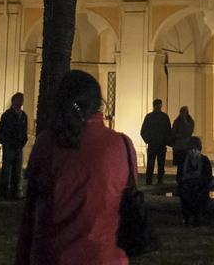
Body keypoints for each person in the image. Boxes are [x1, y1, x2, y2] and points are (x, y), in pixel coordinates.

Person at [15, 70, 135, 265]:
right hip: (106, 257)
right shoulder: (121, 145)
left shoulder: (47, 143)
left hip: (52, 256)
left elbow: (31, 213)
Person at [0, 92, 28, 200]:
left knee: (17, 170)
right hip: (9, 146)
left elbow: (24, 130)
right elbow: (1, 131)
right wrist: (5, 142)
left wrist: (23, 141)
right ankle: (4, 191)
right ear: (13, 101)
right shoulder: (7, 115)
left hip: (18, 146)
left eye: (22, 99)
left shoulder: (23, 115)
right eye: (19, 99)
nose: (21, 101)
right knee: (7, 169)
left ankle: (16, 191)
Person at [176, 136, 212, 226]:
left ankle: (197, 216)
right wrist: (185, 179)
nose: (193, 151)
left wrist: (199, 180)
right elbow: (179, 176)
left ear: (199, 149)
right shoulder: (183, 160)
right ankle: (187, 217)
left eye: (195, 149)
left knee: (199, 193)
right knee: (185, 192)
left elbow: (208, 176)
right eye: (191, 149)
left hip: (200, 185)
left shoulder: (204, 160)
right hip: (186, 184)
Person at [140, 98, 172, 185]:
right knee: (160, 164)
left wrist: (148, 140)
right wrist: (166, 140)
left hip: (153, 144)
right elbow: (169, 131)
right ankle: (159, 180)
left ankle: (149, 180)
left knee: (151, 163)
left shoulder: (149, 117)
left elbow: (143, 131)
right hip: (160, 144)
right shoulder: (164, 117)